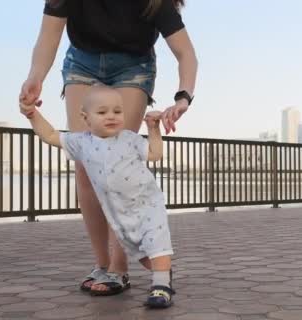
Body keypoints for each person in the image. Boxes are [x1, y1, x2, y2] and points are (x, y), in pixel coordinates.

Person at [19, 0, 197, 296]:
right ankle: (102, 263)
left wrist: (183, 97)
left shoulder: (155, 3)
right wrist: (36, 76)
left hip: (133, 67)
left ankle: (119, 267)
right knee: (86, 164)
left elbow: (186, 54)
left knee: (116, 161)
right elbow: (48, 38)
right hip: (81, 63)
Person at [20, 85, 176, 308]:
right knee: (142, 254)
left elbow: (156, 154)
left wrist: (153, 128)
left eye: (117, 111)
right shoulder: (82, 142)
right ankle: (164, 273)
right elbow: (50, 135)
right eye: (102, 112)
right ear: (86, 118)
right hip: (119, 212)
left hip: (147, 203)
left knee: (156, 243)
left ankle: (161, 287)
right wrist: (32, 114)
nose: (111, 116)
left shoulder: (129, 139)